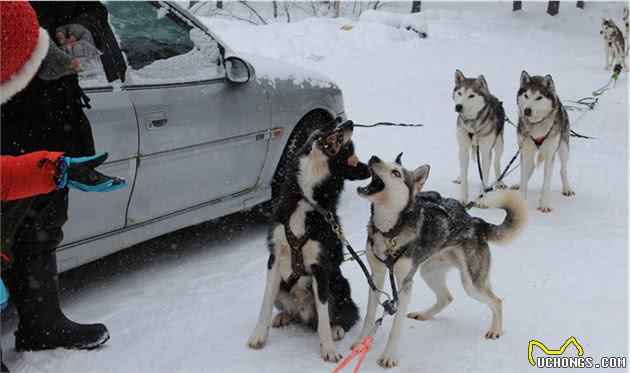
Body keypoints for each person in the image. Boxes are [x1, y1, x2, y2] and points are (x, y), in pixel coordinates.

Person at [0, 1, 126, 359]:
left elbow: (92, 8)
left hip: (52, 115)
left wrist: (83, 29)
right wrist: (37, 52)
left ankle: (42, 321)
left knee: (44, 219)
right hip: (6, 114)